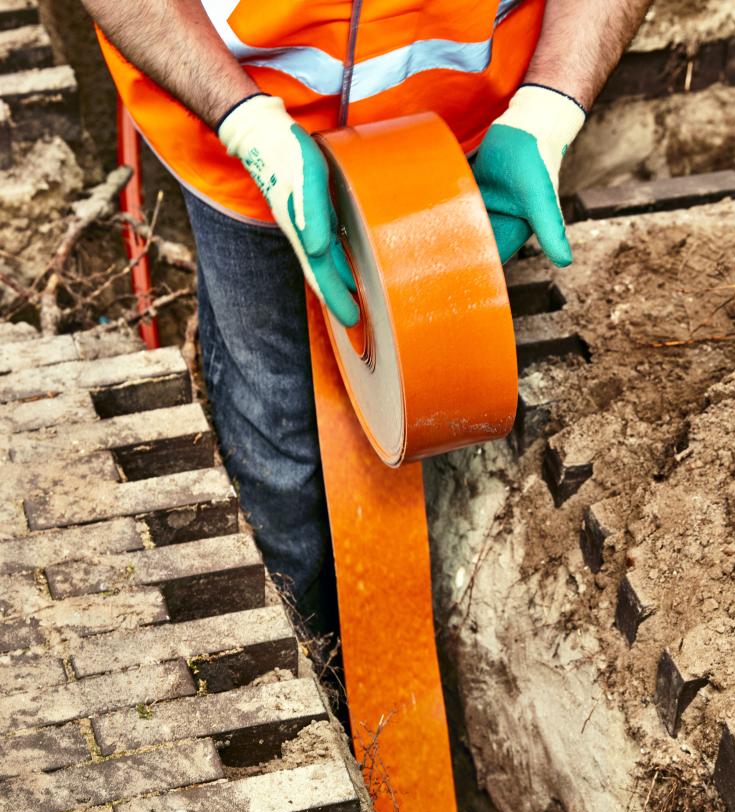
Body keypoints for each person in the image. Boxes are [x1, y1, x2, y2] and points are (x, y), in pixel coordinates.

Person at [81, 0, 651, 628]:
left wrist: (550, 104)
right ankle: (305, 650)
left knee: (438, 390)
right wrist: (245, 124)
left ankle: (417, 627)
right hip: (241, 129)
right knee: (275, 419)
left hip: (456, 143)